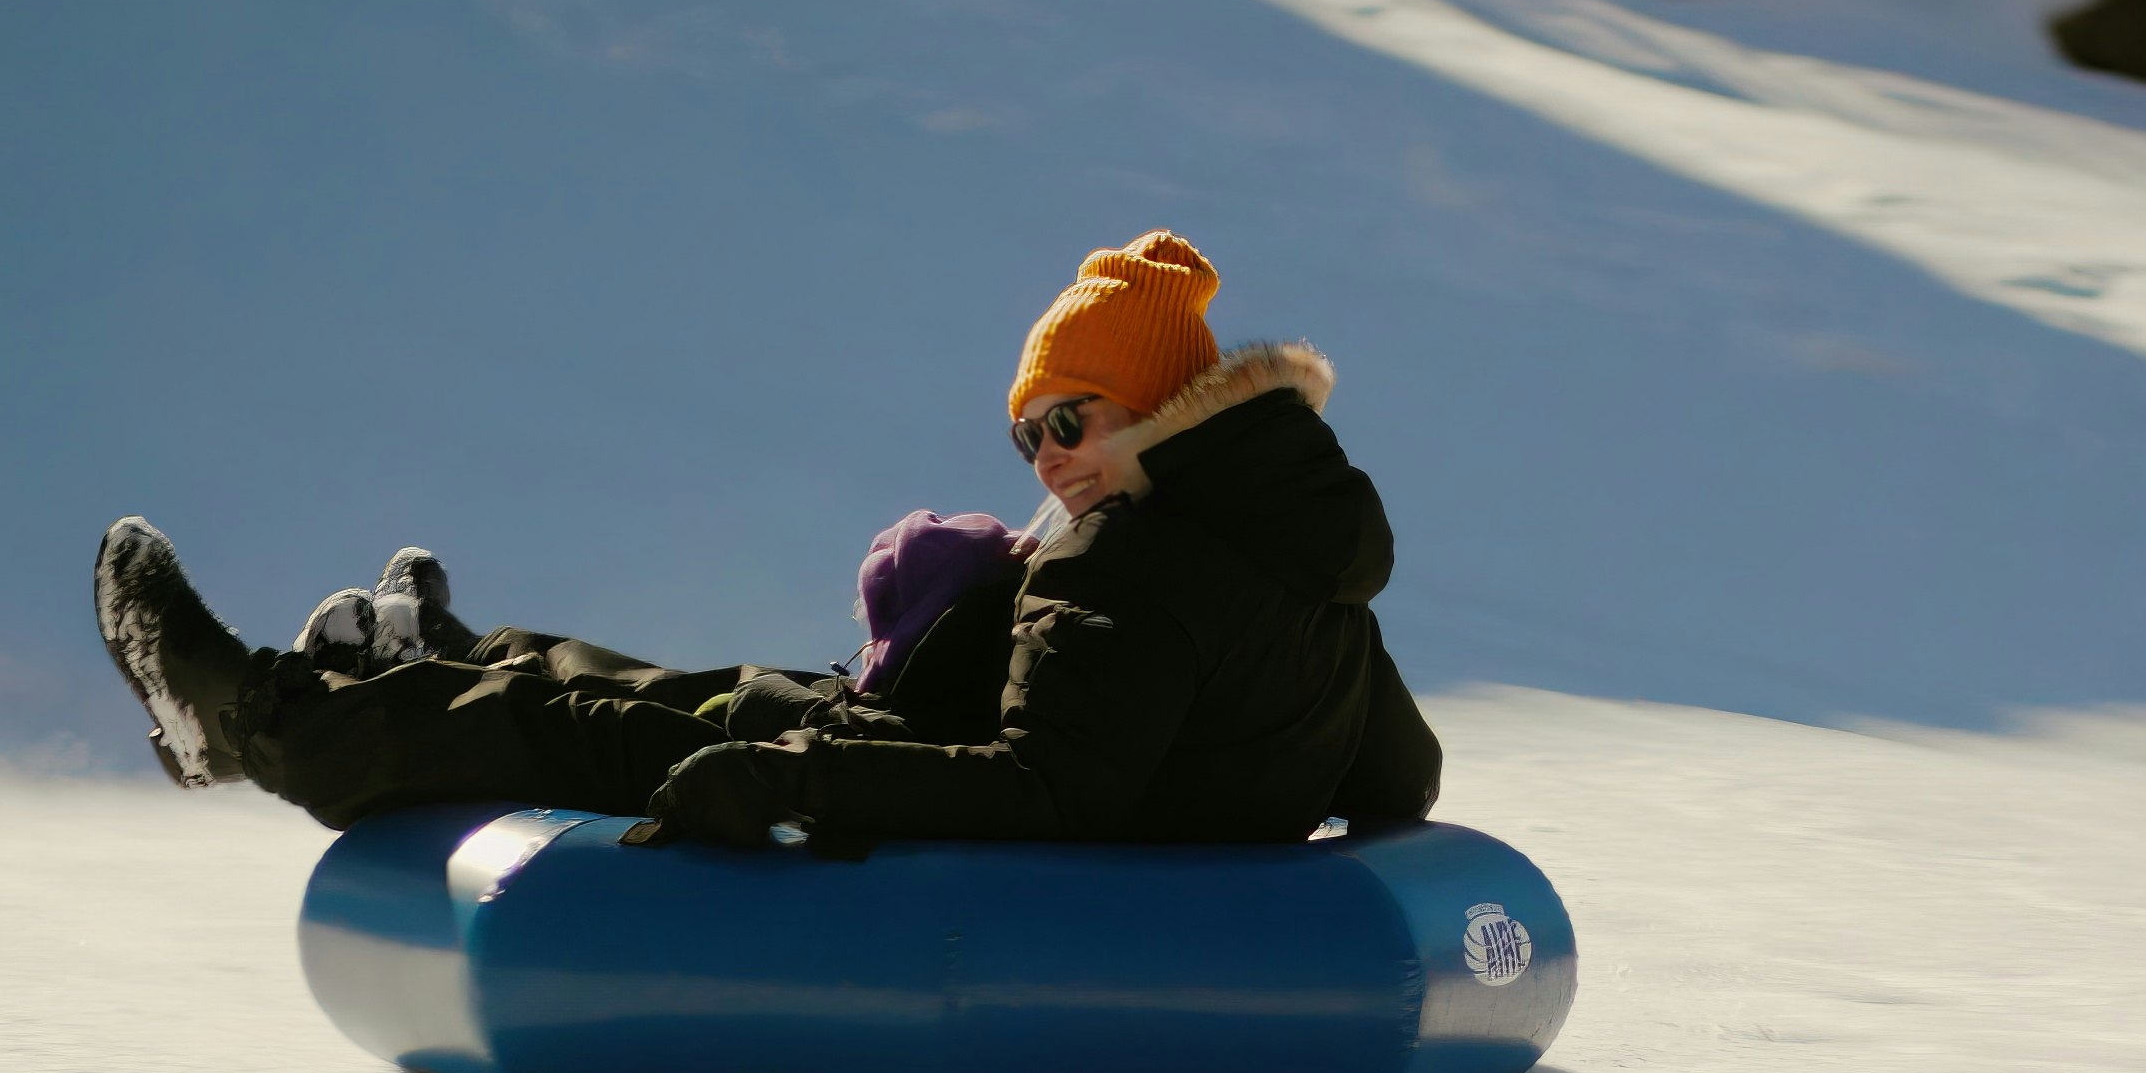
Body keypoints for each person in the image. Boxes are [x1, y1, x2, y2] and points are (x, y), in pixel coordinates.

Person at [92, 230, 1439, 850]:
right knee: (691, 690)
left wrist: (801, 785)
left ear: (1158, 405)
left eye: (1071, 420)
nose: (1046, 459)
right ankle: (443, 657)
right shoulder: (1306, 557)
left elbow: (1051, 795)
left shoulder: (1131, 560)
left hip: (922, 823)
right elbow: (1401, 776)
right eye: (1027, 436)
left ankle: (253, 718)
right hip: (932, 765)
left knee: (611, 735)